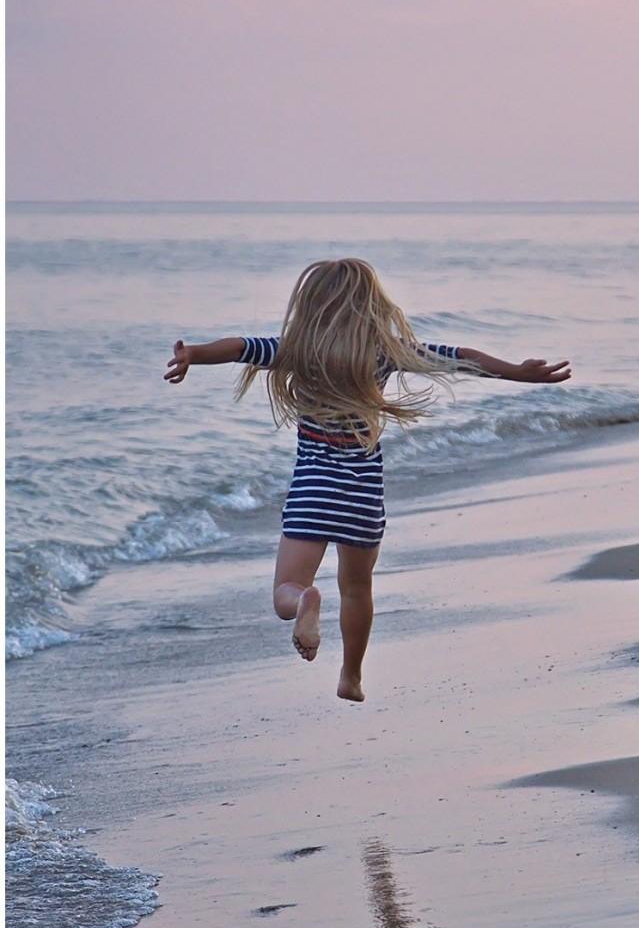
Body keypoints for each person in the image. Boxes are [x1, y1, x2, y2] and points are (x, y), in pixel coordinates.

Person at [164, 258, 571, 702]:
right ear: (370, 306)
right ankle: (351, 676)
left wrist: (193, 355)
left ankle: (303, 602)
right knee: (357, 589)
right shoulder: (384, 353)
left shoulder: (296, 350)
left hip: (312, 492)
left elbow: (239, 347)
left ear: (310, 304)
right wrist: (516, 372)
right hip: (362, 496)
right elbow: (457, 358)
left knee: (286, 588)